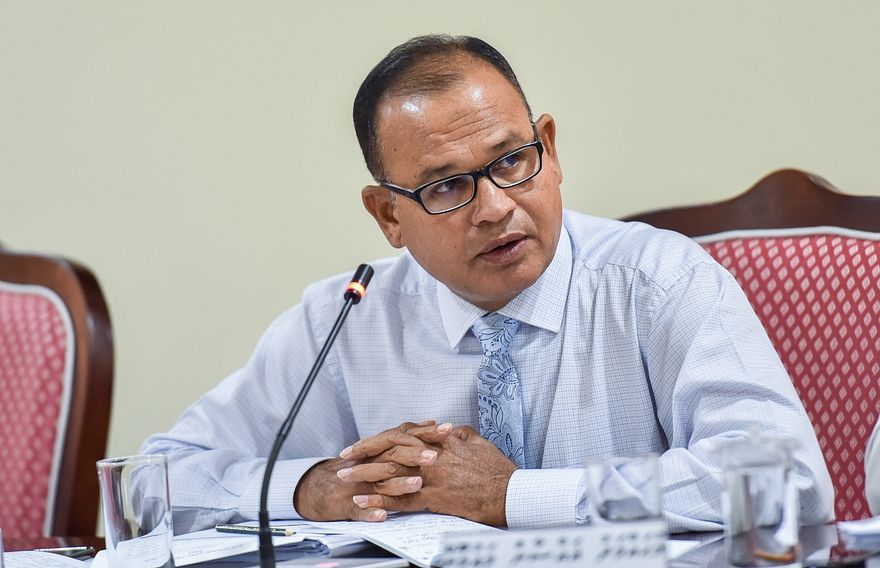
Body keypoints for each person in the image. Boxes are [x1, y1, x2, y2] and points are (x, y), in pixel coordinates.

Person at [141, 34, 833, 533]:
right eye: (446, 187)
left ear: (549, 149)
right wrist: (310, 488)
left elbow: (787, 481)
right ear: (388, 216)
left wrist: (514, 497)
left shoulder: (656, 282)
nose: (496, 207)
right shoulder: (347, 317)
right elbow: (150, 480)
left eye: (511, 161)